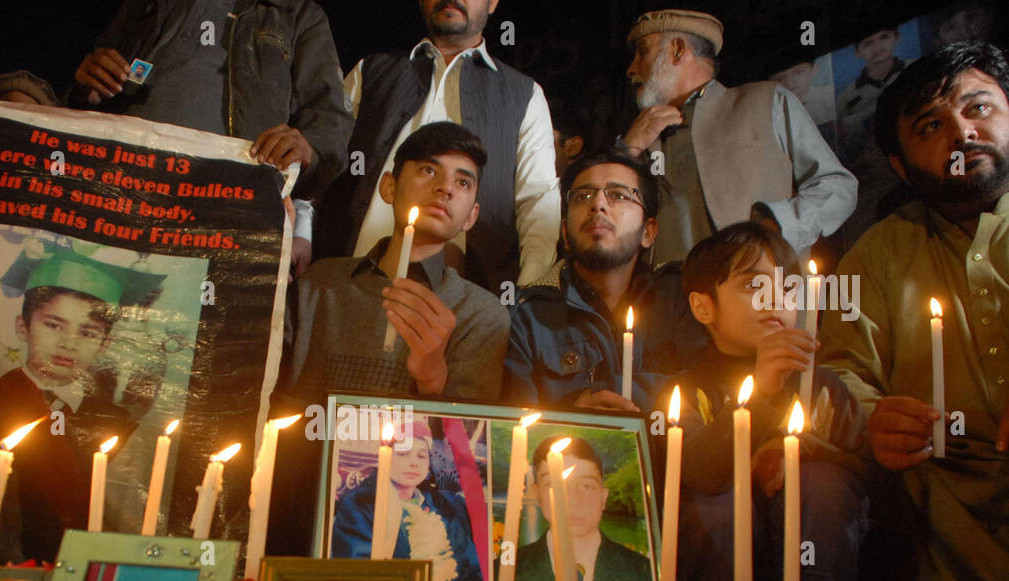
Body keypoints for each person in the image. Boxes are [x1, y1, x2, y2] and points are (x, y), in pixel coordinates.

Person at [818, 42, 1009, 581]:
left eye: (978, 108)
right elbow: (842, 372)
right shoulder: (876, 253)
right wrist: (875, 418)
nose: (962, 133)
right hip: (937, 559)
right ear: (900, 164)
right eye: (932, 124)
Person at [664, 222, 868, 581]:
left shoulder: (822, 387)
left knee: (825, 482)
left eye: (789, 287)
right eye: (754, 285)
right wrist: (761, 394)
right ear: (703, 306)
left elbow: (871, 473)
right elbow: (695, 471)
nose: (775, 297)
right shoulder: (688, 390)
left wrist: (806, 449)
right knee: (720, 502)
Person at [310, 0, 560, 290]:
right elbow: (324, 156)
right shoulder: (372, 72)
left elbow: (538, 200)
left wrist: (530, 290)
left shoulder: (523, 94)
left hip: (466, 304)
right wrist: (301, 236)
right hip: (350, 285)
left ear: (492, 4)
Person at [279, 122, 509, 405]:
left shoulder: (481, 315)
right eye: (428, 170)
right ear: (389, 187)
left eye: (463, 182)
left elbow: (470, 441)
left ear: (471, 216)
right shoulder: (320, 282)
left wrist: (433, 380)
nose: (445, 188)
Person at [619, 9, 856, 265]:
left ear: (677, 49)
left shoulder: (766, 101)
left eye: (642, 51)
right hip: (668, 299)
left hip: (761, 294)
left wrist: (777, 229)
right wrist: (627, 149)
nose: (631, 69)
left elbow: (837, 185)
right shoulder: (639, 141)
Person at [67, 0, 351, 208]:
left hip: (227, 199)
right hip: (122, 185)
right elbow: (88, 91)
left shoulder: (296, 14)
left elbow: (330, 122)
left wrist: (307, 148)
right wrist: (86, 88)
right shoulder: (144, 6)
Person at [0, 246, 163, 560]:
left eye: (87, 333)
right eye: (53, 325)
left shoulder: (115, 420)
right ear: (23, 327)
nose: (68, 343)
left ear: (105, 344)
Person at [504, 150, 703, 412]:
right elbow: (515, 433)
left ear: (648, 231)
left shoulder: (684, 297)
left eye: (618, 195)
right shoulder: (527, 318)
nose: (597, 204)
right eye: (582, 196)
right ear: (565, 231)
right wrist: (572, 418)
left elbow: (712, 391)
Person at [331, 421, 484, 581]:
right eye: (403, 454)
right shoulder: (360, 504)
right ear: (386, 457)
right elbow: (355, 572)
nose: (414, 463)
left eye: (421, 456)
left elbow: (472, 570)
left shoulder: (441, 505)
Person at [513, 436, 654, 581]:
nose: (571, 500)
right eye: (554, 485)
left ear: (603, 496)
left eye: (586, 486)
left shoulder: (645, 574)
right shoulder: (505, 571)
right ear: (536, 494)